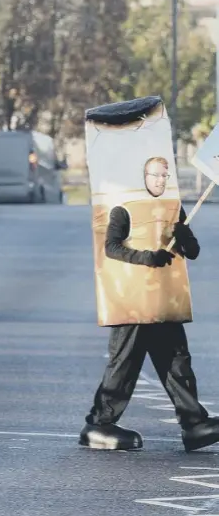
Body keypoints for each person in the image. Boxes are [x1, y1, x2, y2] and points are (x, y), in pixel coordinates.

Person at [81, 97, 219, 452]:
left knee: (176, 360)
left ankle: (194, 423)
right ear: (143, 175)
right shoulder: (122, 208)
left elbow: (191, 248)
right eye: (156, 174)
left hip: (163, 296)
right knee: (124, 363)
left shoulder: (172, 205)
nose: (161, 179)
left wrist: (186, 241)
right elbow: (111, 248)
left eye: (165, 174)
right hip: (130, 296)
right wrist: (147, 256)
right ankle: (99, 425)